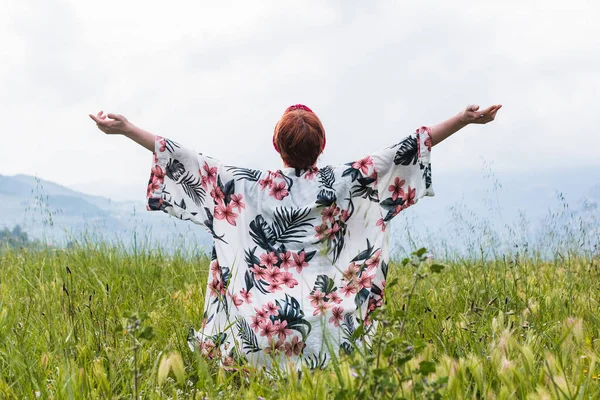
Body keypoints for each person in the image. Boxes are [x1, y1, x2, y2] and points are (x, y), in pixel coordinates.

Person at [89, 103, 501, 370]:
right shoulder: (346, 180)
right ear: (322, 145)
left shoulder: (247, 184)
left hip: (257, 341)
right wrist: (465, 119)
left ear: (277, 146)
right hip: (332, 338)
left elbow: (180, 156)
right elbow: (411, 146)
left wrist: (126, 129)